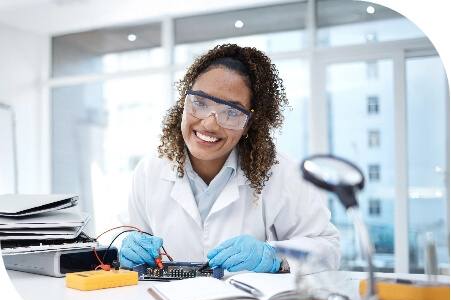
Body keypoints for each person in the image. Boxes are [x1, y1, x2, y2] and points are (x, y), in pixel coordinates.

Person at [118, 43, 342, 273]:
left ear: (249, 124)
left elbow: (328, 249)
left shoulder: (283, 174)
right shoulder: (150, 170)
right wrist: (125, 246)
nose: (209, 123)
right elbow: (124, 235)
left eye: (231, 112)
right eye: (200, 103)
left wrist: (275, 256)